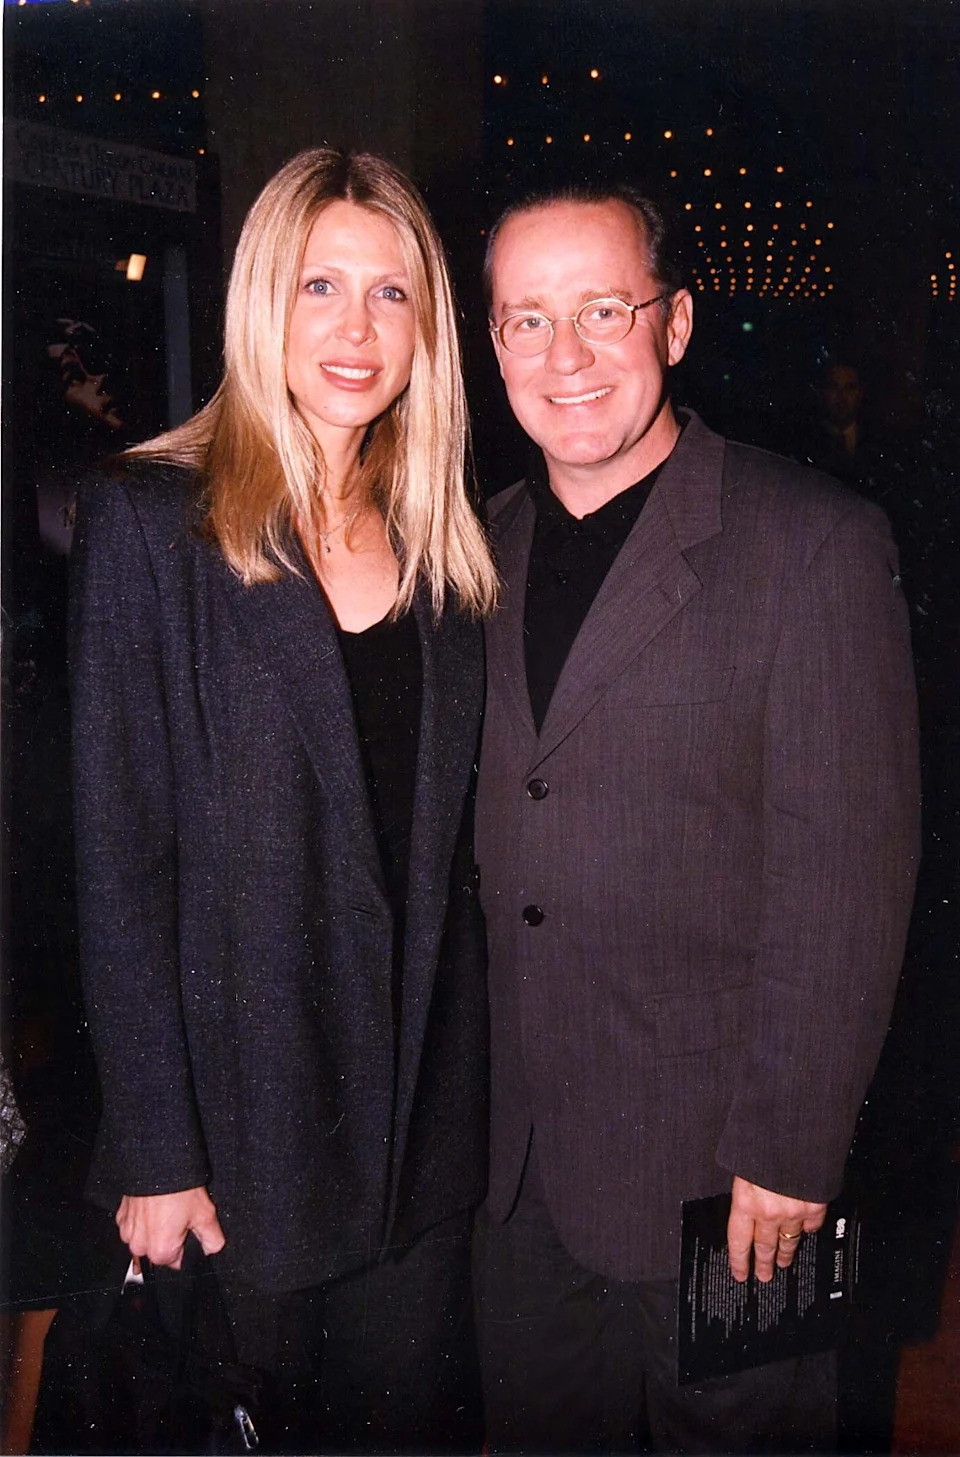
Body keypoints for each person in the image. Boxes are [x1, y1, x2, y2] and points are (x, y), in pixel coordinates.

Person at [472, 181, 919, 1453]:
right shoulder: (474, 550)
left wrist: (791, 1150)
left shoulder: (812, 545)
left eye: (603, 310)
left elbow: (848, 885)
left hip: (730, 1187)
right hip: (520, 1184)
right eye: (527, 319)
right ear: (491, 342)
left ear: (674, 325)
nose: (565, 357)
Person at [69, 147, 497, 1455]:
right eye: (321, 286)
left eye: (390, 293)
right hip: (243, 1140)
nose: (357, 330)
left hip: (419, 1149)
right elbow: (120, 864)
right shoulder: (155, 525)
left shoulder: (447, 545)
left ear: (429, 326)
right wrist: (155, 1147)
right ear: (264, 301)